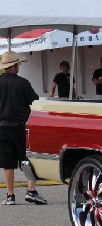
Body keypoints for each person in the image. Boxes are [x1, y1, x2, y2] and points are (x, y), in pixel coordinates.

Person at [0, 51, 47, 205]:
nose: (19, 66)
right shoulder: (23, 83)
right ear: (14, 66)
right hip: (21, 126)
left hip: (2, 127)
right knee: (27, 159)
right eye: (18, 64)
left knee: (8, 163)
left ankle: (10, 195)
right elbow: (35, 101)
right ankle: (31, 191)